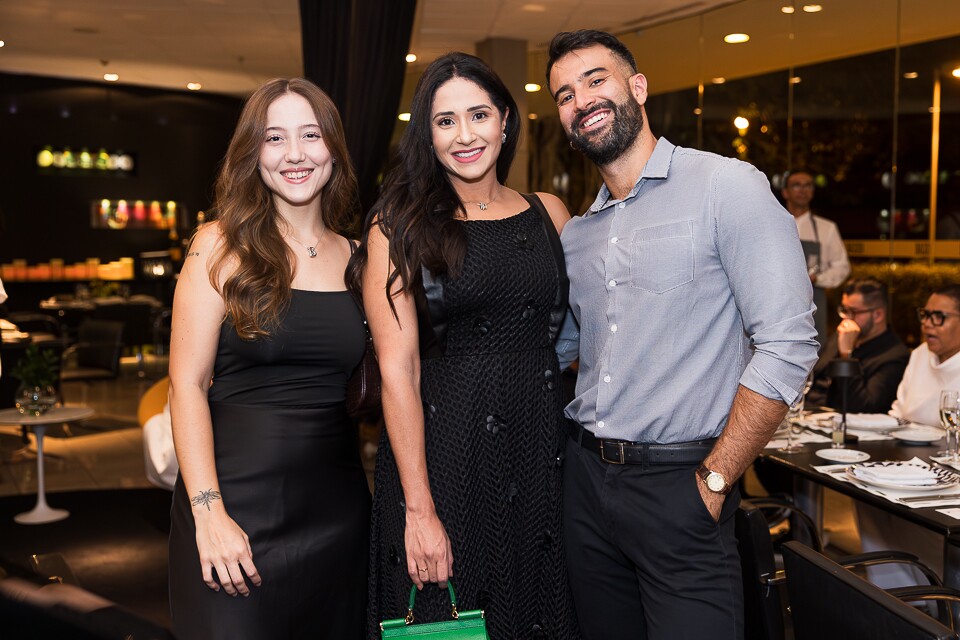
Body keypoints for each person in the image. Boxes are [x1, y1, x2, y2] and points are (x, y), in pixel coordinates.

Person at [546, 30, 819, 639]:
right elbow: (563, 351)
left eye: (596, 80)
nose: (581, 99)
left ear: (637, 88)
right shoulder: (579, 235)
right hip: (587, 483)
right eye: (565, 94)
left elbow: (789, 344)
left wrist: (717, 478)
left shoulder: (726, 186)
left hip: (684, 485)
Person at [348, 52, 579, 638]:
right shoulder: (398, 225)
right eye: (445, 121)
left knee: (541, 613)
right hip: (446, 460)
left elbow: (585, 329)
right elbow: (398, 372)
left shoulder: (548, 213)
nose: (465, 135)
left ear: (505, 120)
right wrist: (419, 511)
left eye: (478, 115)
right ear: (426, 134)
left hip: (542, 456)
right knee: (450, 624)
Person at [167, 78, 370, 639]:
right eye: (275, 138)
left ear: (333, 146)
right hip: (233, 510)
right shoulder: (219, 245)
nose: (296, 154)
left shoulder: (360, 258)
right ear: (253, 153)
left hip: (338, 518)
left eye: (311, 134)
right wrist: (208, 513)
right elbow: (186, 384)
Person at [858, 283, 960, 588]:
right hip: (910, 464)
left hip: (946, 475)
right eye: (925, 314)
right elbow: (899, 412)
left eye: (939, 317)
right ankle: (899, 596)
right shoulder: (918, 356)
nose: (928, 323)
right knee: (866, 496)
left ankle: (936, 598)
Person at [806, 277, 910, 413]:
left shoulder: (895, 355)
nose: (846, 318)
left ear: (878, 315)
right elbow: (813, 376)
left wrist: (846, 356)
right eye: (844, 309)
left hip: (842, 424)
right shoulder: (840, 335)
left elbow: (863, 407)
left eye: (853, 312)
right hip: (806, 413)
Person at [782, 170, 851, 349]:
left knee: (813, 352)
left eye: (808, 185)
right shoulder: (772, 224)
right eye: (796, 185)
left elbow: (842, 266)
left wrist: (817, 278)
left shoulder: (826, 228)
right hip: (778, 301)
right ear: (785, 192)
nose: (803, 190)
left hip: (812, 303)